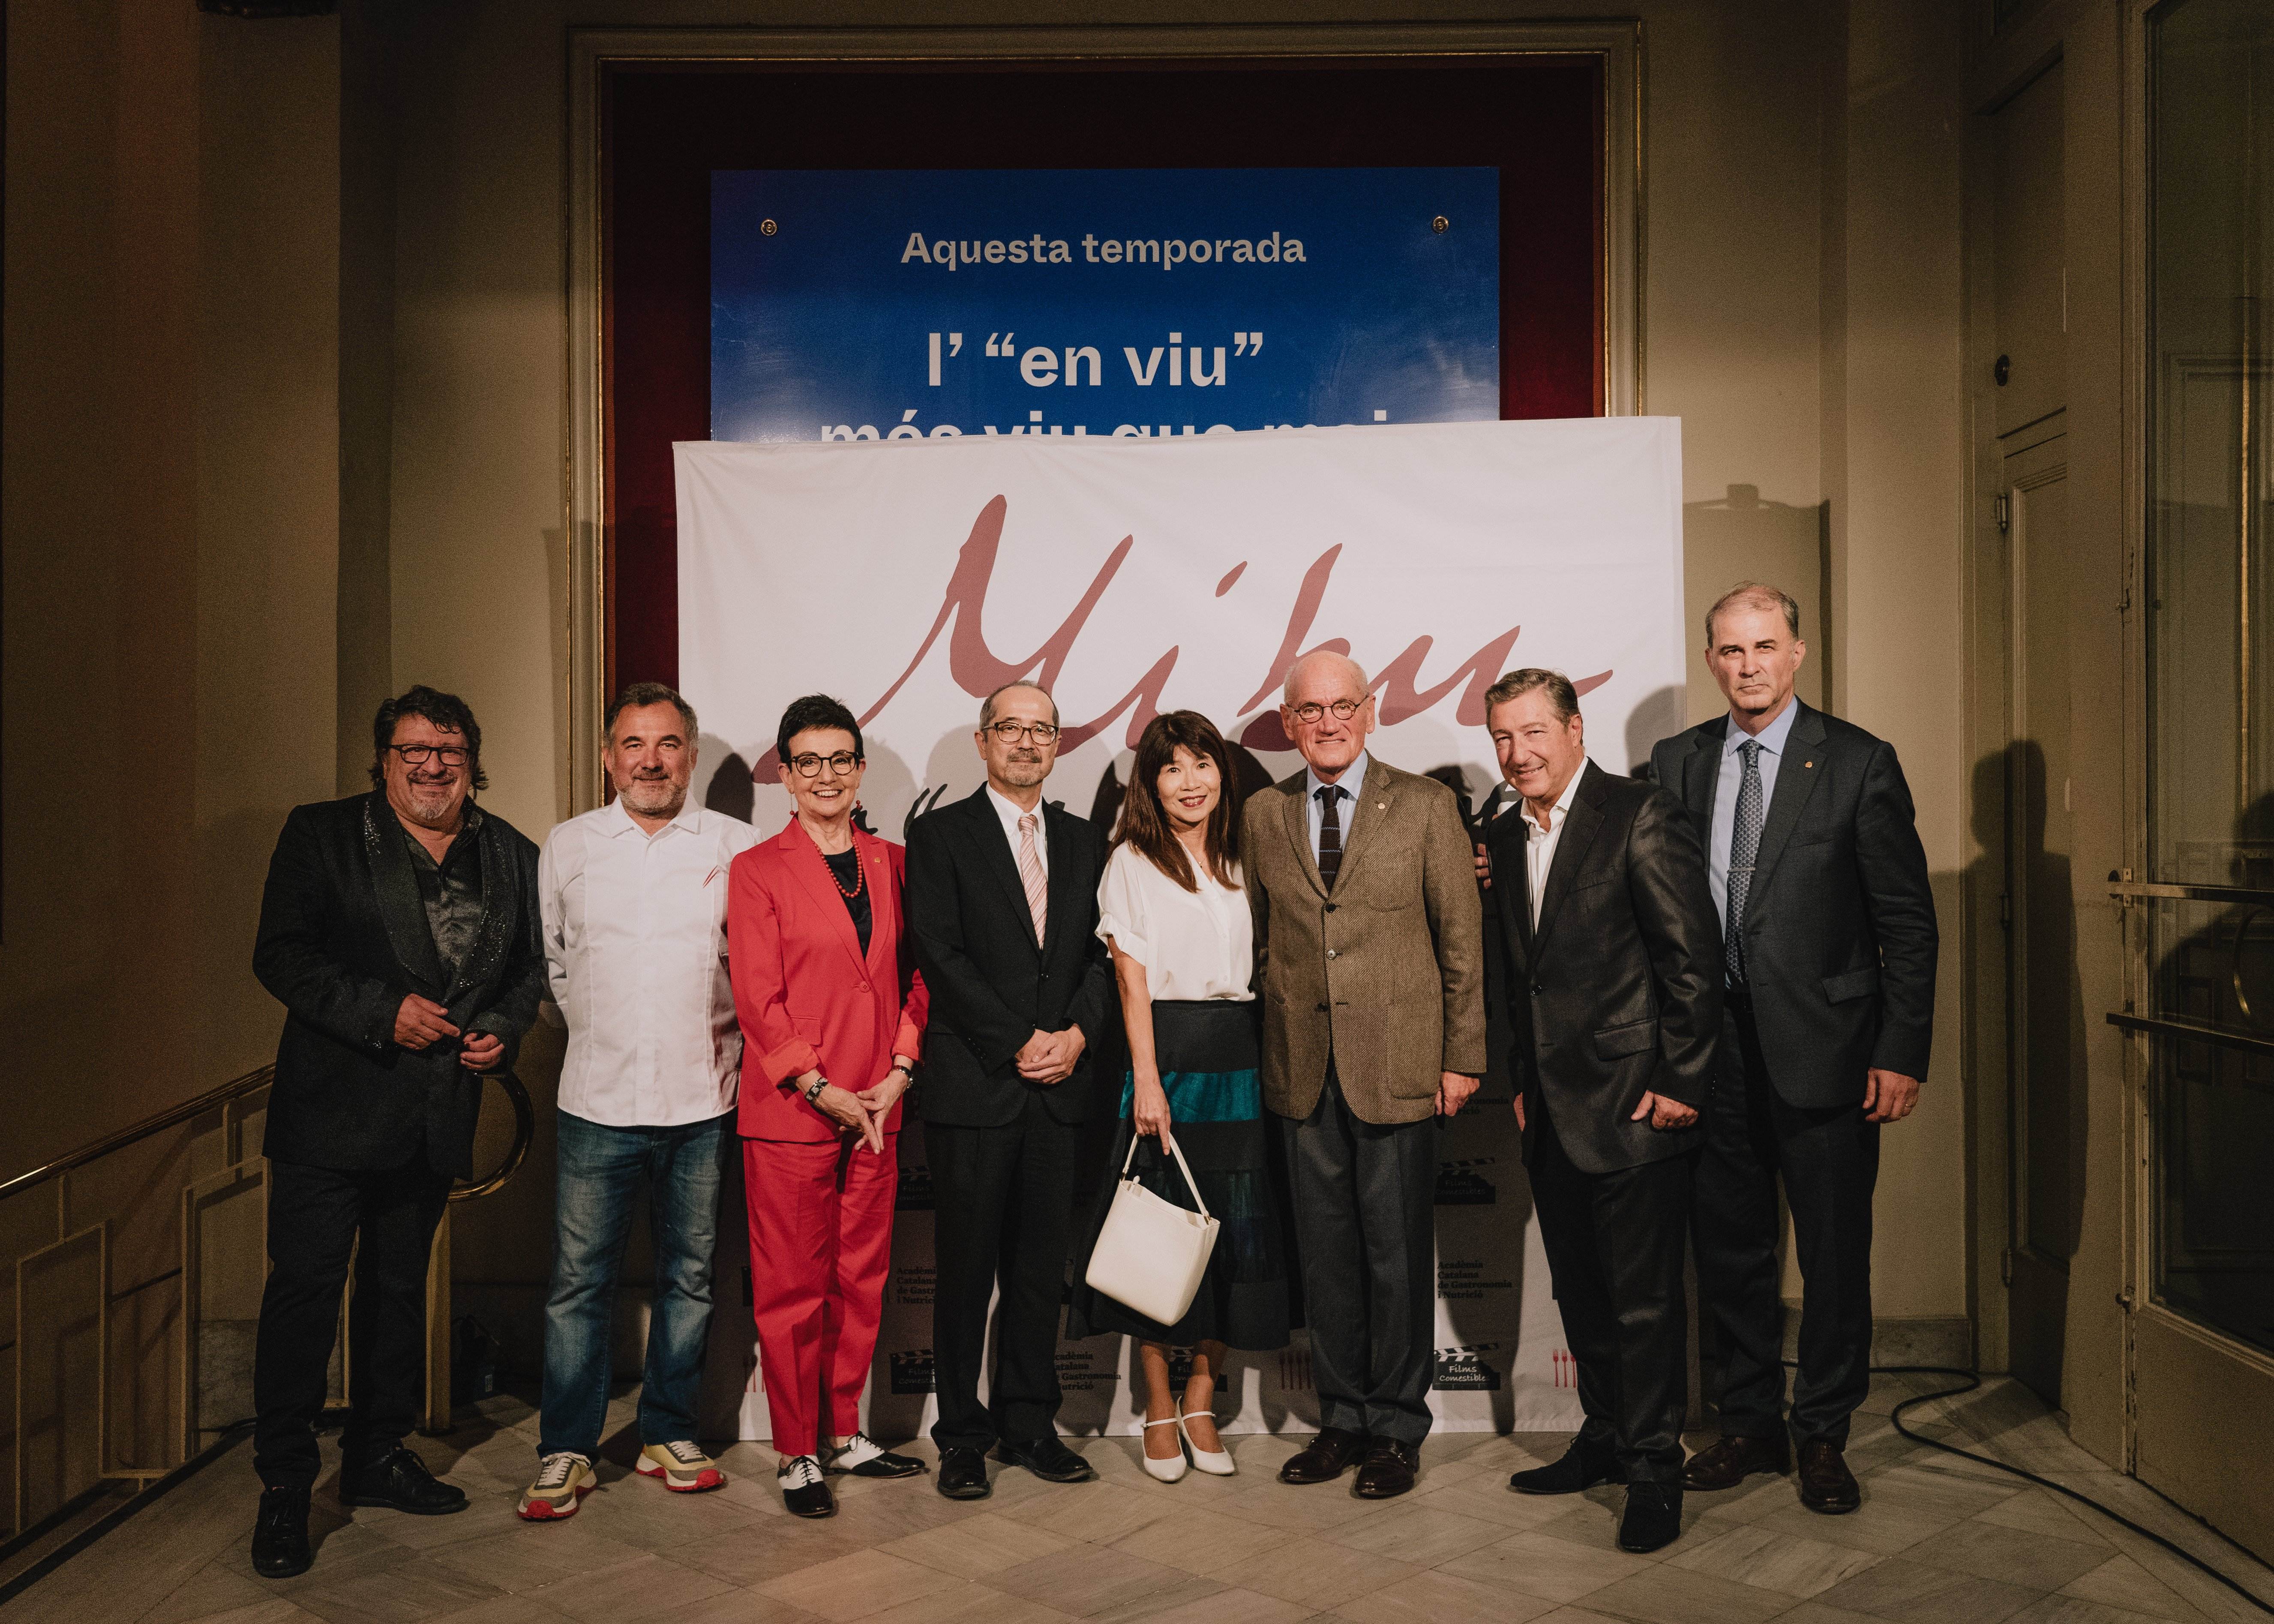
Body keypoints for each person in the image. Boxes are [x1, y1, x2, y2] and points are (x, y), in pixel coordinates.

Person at [247, 686, 546, 1578]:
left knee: (397, 1297)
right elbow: (282, 953)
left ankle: (376, 1456)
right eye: (414, 747)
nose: (432, 763)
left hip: (435, 1117)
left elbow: (530, 967)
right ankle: (285, 1487)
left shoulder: (514, 852)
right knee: (304, 1299)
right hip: (328, 1121)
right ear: (384, 758)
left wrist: (506, 1026)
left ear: (471, 758)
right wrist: (384, 1013)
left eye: (449, 748)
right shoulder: (321, 832)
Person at [1651, 583, 1936, 1514]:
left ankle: (1822, 1431)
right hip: (1712, 1046)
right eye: (1730, 650)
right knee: (1728, 1250)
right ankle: (1747, 1422)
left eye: (1764, 646)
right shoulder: (1677, 760)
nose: (1748, 666)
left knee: (1832, 1253)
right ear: (1710, 661)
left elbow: (1907, 920)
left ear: (1797, 652)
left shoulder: (1857, 761)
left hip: (1831, 1048)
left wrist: (1901, 1050)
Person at [1480, 669, 1720, 1554]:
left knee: (1643, 1301)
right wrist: (1516, 1077)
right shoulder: (1503, 834)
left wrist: (1683, 1080)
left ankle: (1655, 1469)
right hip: (1548, 1104)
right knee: (1581, 1290)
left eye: (1534, 732)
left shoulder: (1639, 813)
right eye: (1503, 737)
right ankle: (1608, 1435)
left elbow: (1693, 961)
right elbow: (1522, 974)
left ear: (1575, 729)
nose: (1518, 753)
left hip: (1634, 1099)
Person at [1241, 650, 1486, 1500]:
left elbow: (1461, 941)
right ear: (1287, 723)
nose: (1329, 722)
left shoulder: (1425, 806)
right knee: (1328, 1258)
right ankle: (1340, 1418)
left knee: (1394, 1255)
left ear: (1371, 710)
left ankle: (1396, 1426)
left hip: (1403, 1067)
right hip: (1301, 1070)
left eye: (1343, 705)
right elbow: (1263, 936)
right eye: (1309, 710)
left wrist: (1462, 1055)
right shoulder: (1262, 813)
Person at [518, 683, 756, 1522]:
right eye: (632, 744)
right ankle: (567, 1447)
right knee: (578, 1283)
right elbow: (553, 967)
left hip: (704, 1097)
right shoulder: (569, 844)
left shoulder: (736, 843)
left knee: (690, 1278)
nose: (649, 760)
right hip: (596, 1099)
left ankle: (666, 1428)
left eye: (666, 744)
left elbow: (753, 968)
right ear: (609, 755)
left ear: (690, 754)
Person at [1068, 711, 1295, 1483]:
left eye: (1202, 765)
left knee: (1233, 1234)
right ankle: (1157, 1405)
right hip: (1166, 1059)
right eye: (1173, 769)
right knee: (1157, 1233)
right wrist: (1148, 1080)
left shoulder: (1246, 851)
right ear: (1150, 783)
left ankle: (1203, 1397)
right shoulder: (1130, 859)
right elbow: (1128, 981)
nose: (1190, 782)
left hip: (1243, 1056)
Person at [903, 680, 1114, 1500]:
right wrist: (1017, 1039)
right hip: (977, 1084)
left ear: (1055, 745)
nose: (1026, 742)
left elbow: (1106, 953)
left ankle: (1030, 1423)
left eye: (1041, 730)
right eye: (1010, 729)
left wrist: (1077, 1036)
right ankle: (961, 1435)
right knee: (963, 1272)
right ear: (983, 742)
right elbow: (939, 954)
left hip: (1062, 1087)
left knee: (1038, 1272)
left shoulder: (1086, 839)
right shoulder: (939, 835)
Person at [728, 695, 930, 1518]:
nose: (825, 774)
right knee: (790, 1288)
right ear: (784, 771)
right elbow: (757, 998)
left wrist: (902, 1069)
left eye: (839, 758)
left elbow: (920, 978)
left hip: (878, 1105)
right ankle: (795, 1448)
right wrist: (819, 1087)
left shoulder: (897, 861)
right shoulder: (757, 869)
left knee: (861, 1278)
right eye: (806, 760)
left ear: (858, 768)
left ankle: (845, 1431)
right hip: (795, 1110)